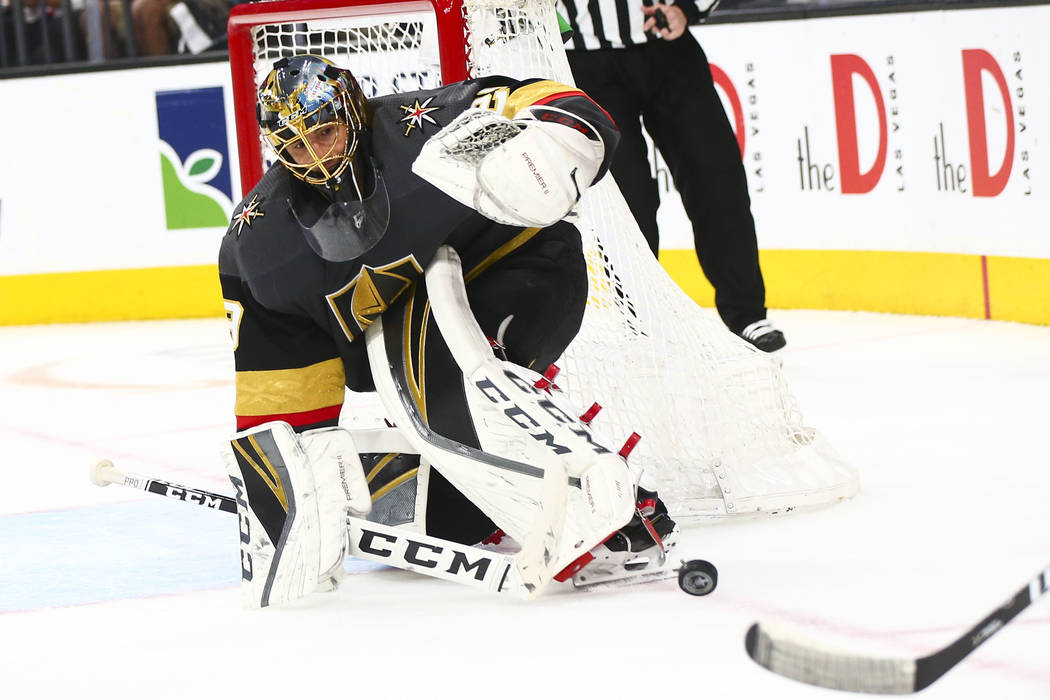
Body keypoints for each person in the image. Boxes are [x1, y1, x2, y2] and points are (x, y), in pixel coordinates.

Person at [218, 55, 678, 607]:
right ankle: (498, 497)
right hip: (407, 343)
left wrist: (562, 137)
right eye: (297, 147)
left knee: (450, 382)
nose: (316, 156)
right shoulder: (261, 247)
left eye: (325, 132)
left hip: (525, 269)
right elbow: (278, 387)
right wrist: (286, 489)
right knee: (438, 514)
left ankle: (616, 503)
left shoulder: (425, 128)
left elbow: (539, 100)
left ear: (352, 113)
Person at [556, 0, 787, 351]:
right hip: (586, 61)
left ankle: (747, 314)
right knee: (627, 199)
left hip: (668, 48)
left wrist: (689, 6)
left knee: (716, 179)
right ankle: (641, 320)